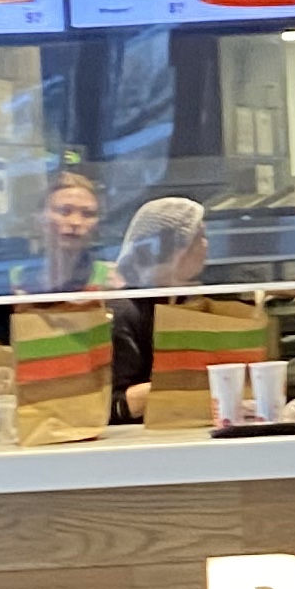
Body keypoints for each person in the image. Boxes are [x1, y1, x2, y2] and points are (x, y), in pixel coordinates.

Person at [110, 194, 209, 420]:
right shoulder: (124, 311)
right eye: (199, 237)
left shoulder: (190, 301)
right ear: (176, 249)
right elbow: (113, 402)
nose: (205, 245)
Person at [16, 166, 116, 295]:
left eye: (88, 214)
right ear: (40, 219)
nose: (76, 222)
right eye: (64, 211)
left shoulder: (112, 279)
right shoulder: (14, 276)